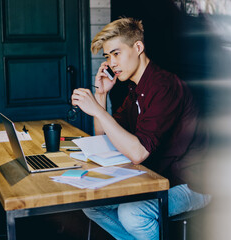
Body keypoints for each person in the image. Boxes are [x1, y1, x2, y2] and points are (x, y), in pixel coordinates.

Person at [71, 18, 211, 240]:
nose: (111, 63)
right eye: (107, 56)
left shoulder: (163, 86)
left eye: (116, 53)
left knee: (133, 213)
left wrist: (97, 111)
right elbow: (103, 139)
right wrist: (101, 95)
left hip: (193, 181)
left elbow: (138, 153)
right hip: (158, 175)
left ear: (138, 47)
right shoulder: (136, 89)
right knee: (92, 204)